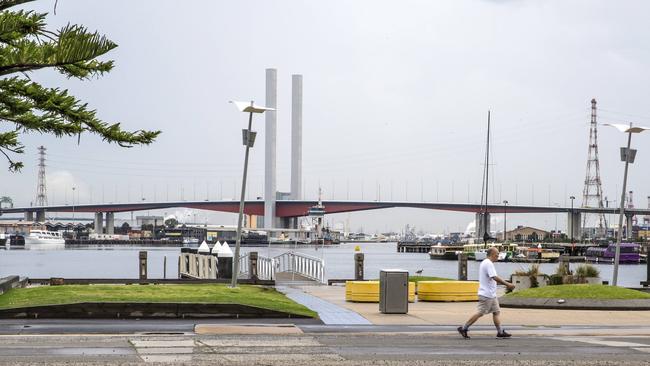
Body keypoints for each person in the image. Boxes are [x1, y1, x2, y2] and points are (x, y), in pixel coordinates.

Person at [457, 246, 515, 339]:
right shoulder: (488, 263)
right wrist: (507, 284)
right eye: (497, 254)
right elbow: (494, 277)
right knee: (480, 312)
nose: (498, 256)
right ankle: (464, 328)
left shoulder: (486, 263)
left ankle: (500, 332)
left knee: (496, 312)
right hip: (486, 294)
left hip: (491, 294)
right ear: (492, 254)